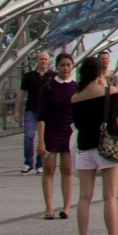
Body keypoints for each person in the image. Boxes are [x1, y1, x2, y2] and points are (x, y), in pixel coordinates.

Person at [69, 51, 118, 235]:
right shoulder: (110, 91)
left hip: (84, 149)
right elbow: (117, 116)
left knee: (84, 198)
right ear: (99, 72)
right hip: (107, 148)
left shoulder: (75, 97)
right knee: (109, 197)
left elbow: (77, 124)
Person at [38, 51, 77, 218]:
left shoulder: (76, 87)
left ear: (72, 66)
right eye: (62, 65)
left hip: (69, 131)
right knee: (49, 169)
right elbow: (41, 116)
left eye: (68, 65)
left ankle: (66, 207)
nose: (65, 68)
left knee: (67, 169)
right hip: (51, 131)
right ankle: (49, 208)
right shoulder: (48, 87)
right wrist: (40, 141)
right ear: (57, 67)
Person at [19, 51, 50, 174]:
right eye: (41, 59)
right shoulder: (29, 76)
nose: (43, 61)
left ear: (49, 61)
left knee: (44, 138)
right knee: (29, 136)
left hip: (47, 111)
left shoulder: (52, 76)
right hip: (31, 110)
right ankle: (28, 162)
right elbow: (21, 93)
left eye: (45, 59)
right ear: (37, 61)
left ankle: (40, 163)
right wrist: (17, 110)